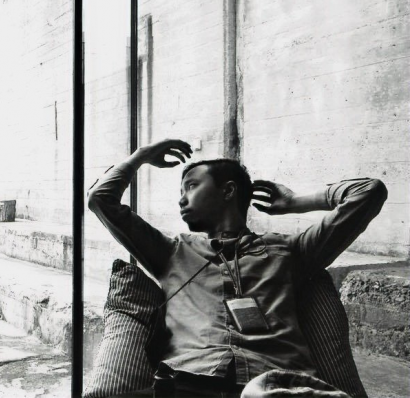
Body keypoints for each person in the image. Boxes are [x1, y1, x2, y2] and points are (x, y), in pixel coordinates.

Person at [88, 139, 387, 397]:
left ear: (228, 191)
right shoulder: (172, 252)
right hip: (188, 383)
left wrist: (296, 202)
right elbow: (101, 199)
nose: (181, 199)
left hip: (278, 385)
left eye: (191, 186)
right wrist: (140, 156)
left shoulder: (290, 250)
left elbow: (368, 192)